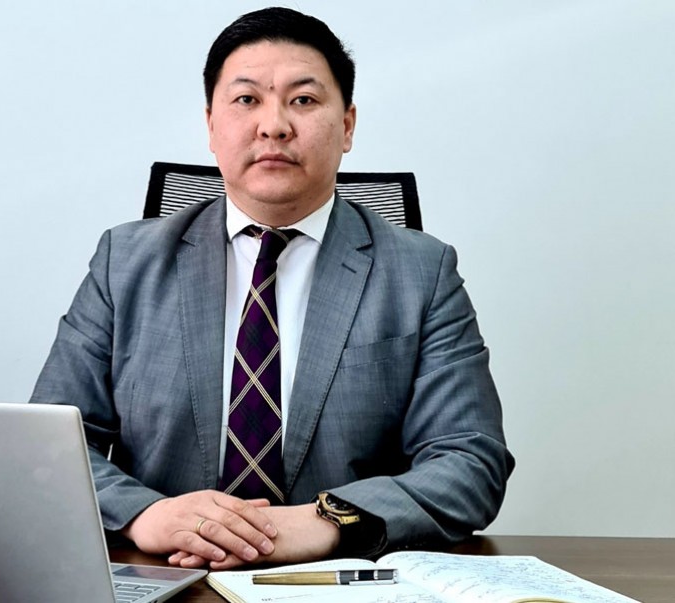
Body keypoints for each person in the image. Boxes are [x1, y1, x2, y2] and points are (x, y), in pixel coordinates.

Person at [30, 6, 514, 571]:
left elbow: (470, 462)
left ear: (348, 126)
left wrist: (328, 521)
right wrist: (145, 514)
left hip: (334, 584)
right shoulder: (125, 262)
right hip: (166, 575)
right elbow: (48, 447)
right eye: (247, 99)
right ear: (211, 125)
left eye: (303, 100)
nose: (274, 125)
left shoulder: (421, 273)